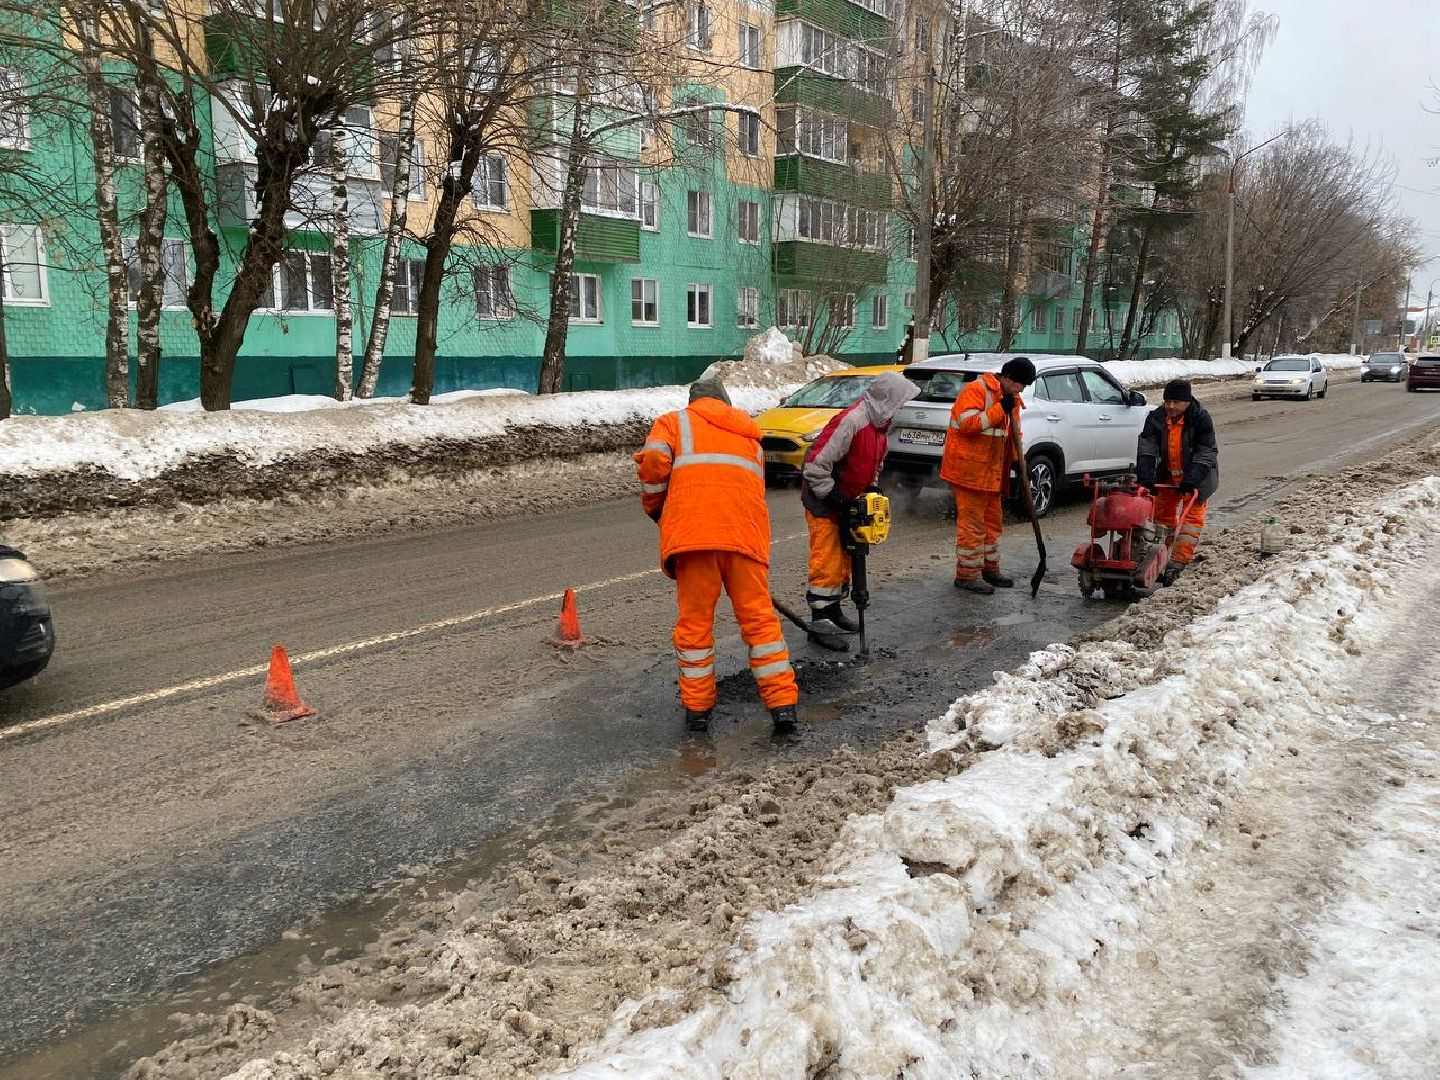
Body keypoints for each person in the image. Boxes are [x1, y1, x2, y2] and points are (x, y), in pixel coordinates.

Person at [634, 378, 800, 732]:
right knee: (760, 622)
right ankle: (783, 706)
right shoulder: (750, 435)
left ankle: (698, 711)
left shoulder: (673, 423)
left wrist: (656, 506)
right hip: (744, 538)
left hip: (695, 541)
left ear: (694, 401)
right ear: (725, 403)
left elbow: (653, 461)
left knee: (695, 625)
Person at [799, 372, 920, 633]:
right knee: (827, 561)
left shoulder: (880, 429)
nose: (900, 408)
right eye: (899, 402)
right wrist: (832, 495)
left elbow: (875, 465)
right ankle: (820, 619)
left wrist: (872, 486)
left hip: (849, 500)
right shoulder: (852, 421)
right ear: (887, 399)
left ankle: (833, 611)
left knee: (845, 560)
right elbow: (815, 464)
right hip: (825, 500)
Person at [940, 356, 1037, 595]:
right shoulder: (976, 391)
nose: (1022, 389)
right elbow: (968, 425)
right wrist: (998, 410)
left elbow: (1013, 434)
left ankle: (989, 568)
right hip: (969, 472)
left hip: (991, 472)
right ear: (1007, 378)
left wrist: (1018, 463)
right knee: (972, 525)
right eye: (1020, 384)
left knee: (993, 522)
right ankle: (967, 574)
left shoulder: (1011, 399)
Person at [1135, 379, 1218, 585]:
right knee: (1161, 518)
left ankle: (1178, 562)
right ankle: (1160, 554)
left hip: (1195, 478)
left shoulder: (1200, 418)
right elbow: (1147, 448)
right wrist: (1146, 477)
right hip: (1167, 477)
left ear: (1187, 402)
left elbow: (1206, 452)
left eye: (1176, 402)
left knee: (1190, 522)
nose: (1171, 406)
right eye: (1167, 401)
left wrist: (1193, 480)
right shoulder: (1156, 418)